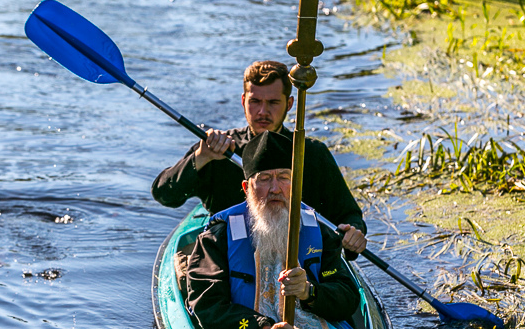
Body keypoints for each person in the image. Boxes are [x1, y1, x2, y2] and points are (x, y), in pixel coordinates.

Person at [151, 60, 368, 256]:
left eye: (273, 102)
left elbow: (348, 215)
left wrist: (353, 233)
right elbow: (165, 195)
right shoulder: (218, 150)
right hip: (227, 260)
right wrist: (200, 158)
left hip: (299, 261)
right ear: (244, 101)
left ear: (290, 104)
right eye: (255, 101)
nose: (263, 111)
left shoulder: (312, 154)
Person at [186, 131, 362, 329]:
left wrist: (309, 292)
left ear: (296, 183)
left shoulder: (320, 232)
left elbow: (347, 297)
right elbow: (206, 306)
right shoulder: (218, 235)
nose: (275, 188)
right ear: (246, 187)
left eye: (283, 177)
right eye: (264, 179)